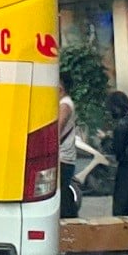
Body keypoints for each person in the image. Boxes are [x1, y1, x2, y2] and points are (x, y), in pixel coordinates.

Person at [58, 71, 79, 218]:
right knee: (63, 192)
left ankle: (70, 220)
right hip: (64, 156)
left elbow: (57, 130)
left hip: (63, 157)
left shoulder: (65, 104)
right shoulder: (64, 103)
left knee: (62, 191)